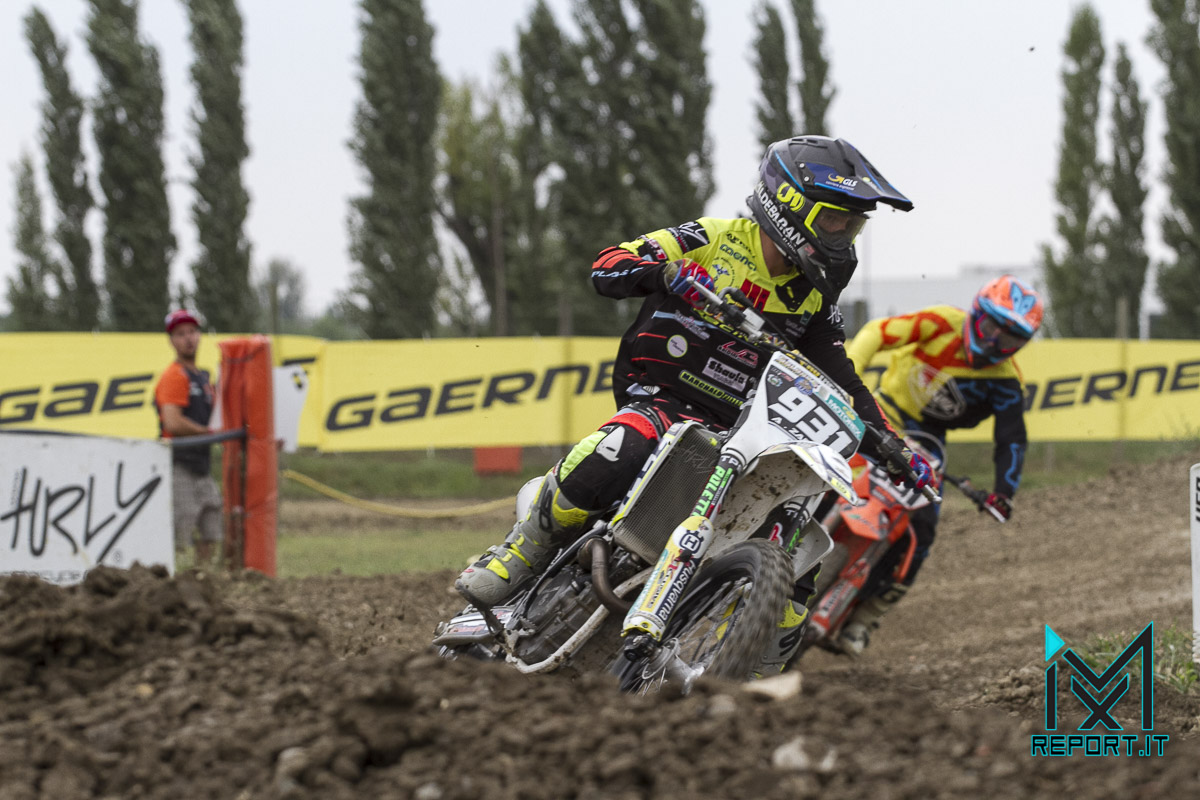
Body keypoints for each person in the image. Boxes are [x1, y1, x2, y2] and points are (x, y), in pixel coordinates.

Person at [455, 135, 934, 674]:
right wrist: (665, 273)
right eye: (834, 221)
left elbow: (842, 382)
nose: (844, 236)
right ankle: (522, 549)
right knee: (623, 444)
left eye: (852, 226)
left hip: (742, 432)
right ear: (790, 205)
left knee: (792, 539)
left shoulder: (813, 300)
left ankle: (751, 659)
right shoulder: (711, 238)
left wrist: (895, 446)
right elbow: (609, 266)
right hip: (663, 398)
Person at [835, 275, 1044, 656]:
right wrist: (847, 382)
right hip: (879, 411)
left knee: (924, 530)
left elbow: (1011, 439)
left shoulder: (1006, 382)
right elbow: (876, 332)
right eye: (992, 328)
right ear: (976, 313)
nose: (995, 344)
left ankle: (866, 619)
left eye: (1010, 340)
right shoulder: (942, 322)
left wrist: (1004, 493)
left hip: (928, 441)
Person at [154, 309, 223, 565]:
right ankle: (165, 578)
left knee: (211, 528)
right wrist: (209, 433)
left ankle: (200, 576)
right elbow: (172, 422)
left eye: (192, 332)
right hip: (178, 464)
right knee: (178, 532)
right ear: (171, 341)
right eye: (181, 334)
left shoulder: (204, 377)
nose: (188, 339)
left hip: (201, 466)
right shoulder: (175, 375)